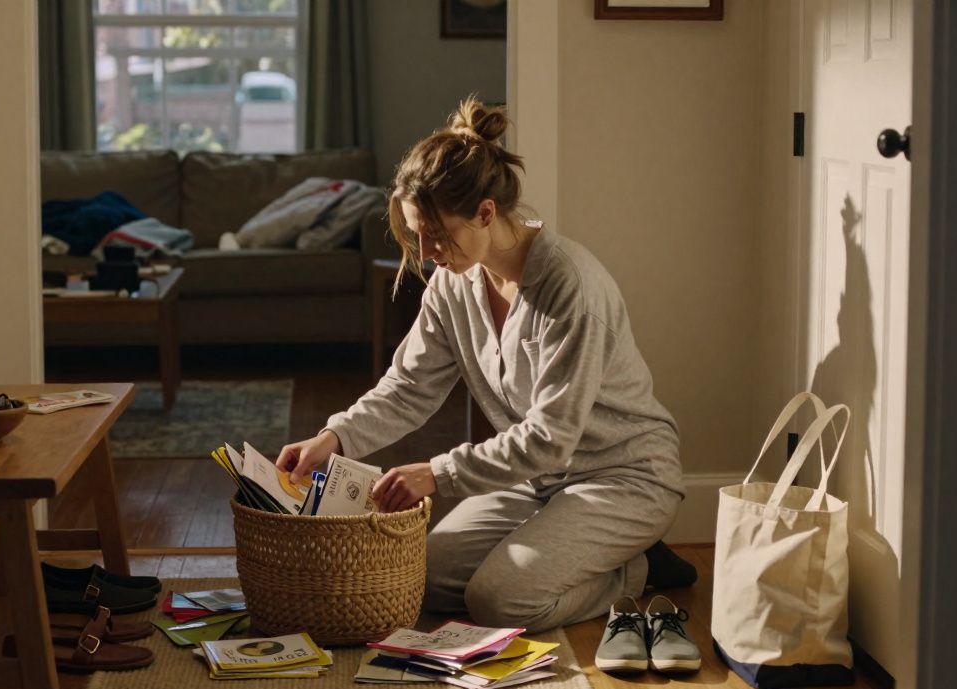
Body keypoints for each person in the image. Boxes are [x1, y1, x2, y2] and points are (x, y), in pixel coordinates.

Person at [276, 97, 694, 633]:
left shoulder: (571, 287)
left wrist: (438, 473)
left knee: (499, 602)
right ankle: (571, 547)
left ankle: (632, 566)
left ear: (486, 213)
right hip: (534, 481)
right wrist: (332, 438)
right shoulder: (454, 282)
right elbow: (408, 387)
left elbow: (549, 437)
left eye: (435, 233)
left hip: (622, 478)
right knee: (417, 577)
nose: (425, 251)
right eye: (415, 233)